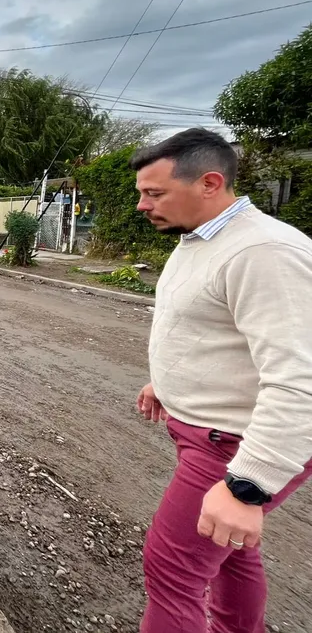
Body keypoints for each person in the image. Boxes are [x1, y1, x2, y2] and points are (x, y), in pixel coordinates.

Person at [130, 128, 312, 632]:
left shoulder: (264, 253)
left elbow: (301, 378)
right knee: (229, 554)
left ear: (210, 183)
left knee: (172, 571)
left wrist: (247, 487)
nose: (143, 205)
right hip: (211, 433)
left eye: (155, 192)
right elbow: (205, 326)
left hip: (230, 445)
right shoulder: (203, 239)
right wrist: (166, 381)